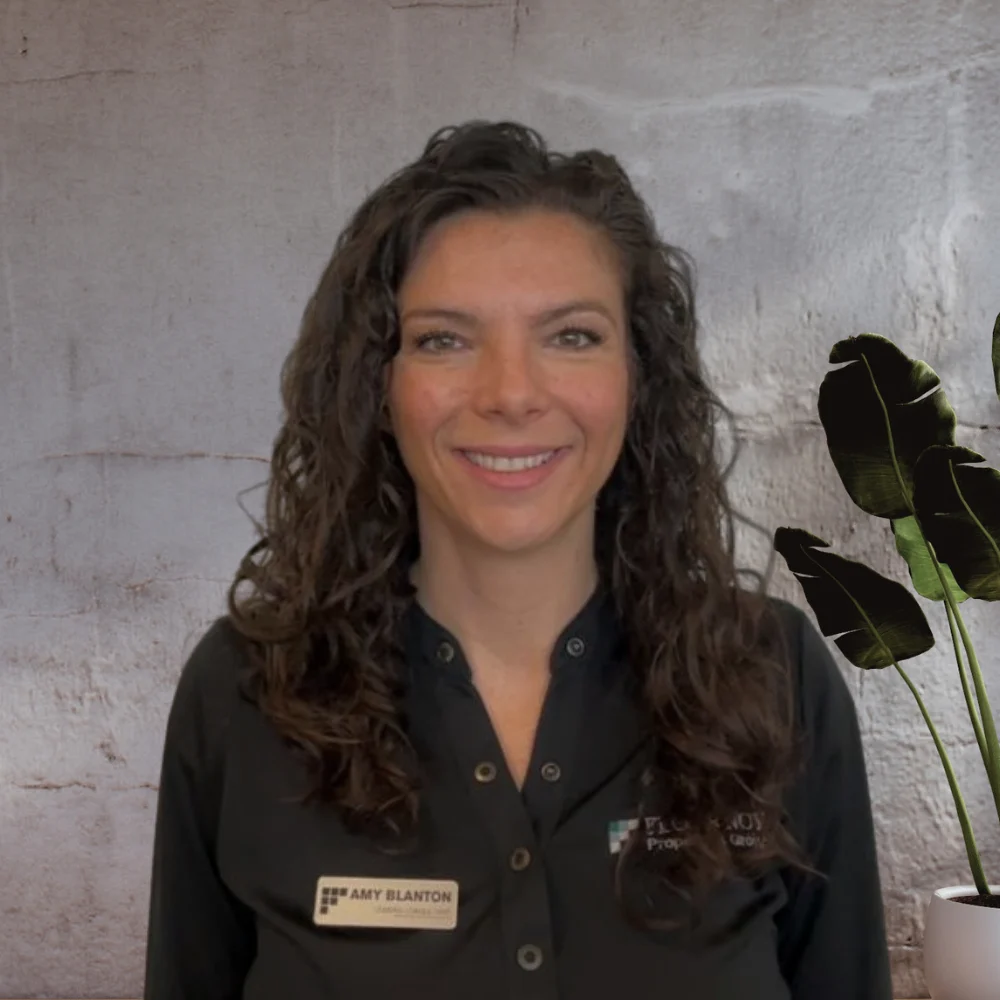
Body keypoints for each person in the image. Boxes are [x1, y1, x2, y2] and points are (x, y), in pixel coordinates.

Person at [143, 120, 893, 999]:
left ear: (637, 377)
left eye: (570, 335)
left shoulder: (773, 675)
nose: (509, 393)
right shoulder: (244, 692)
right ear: (376, 389)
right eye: (444, 339)